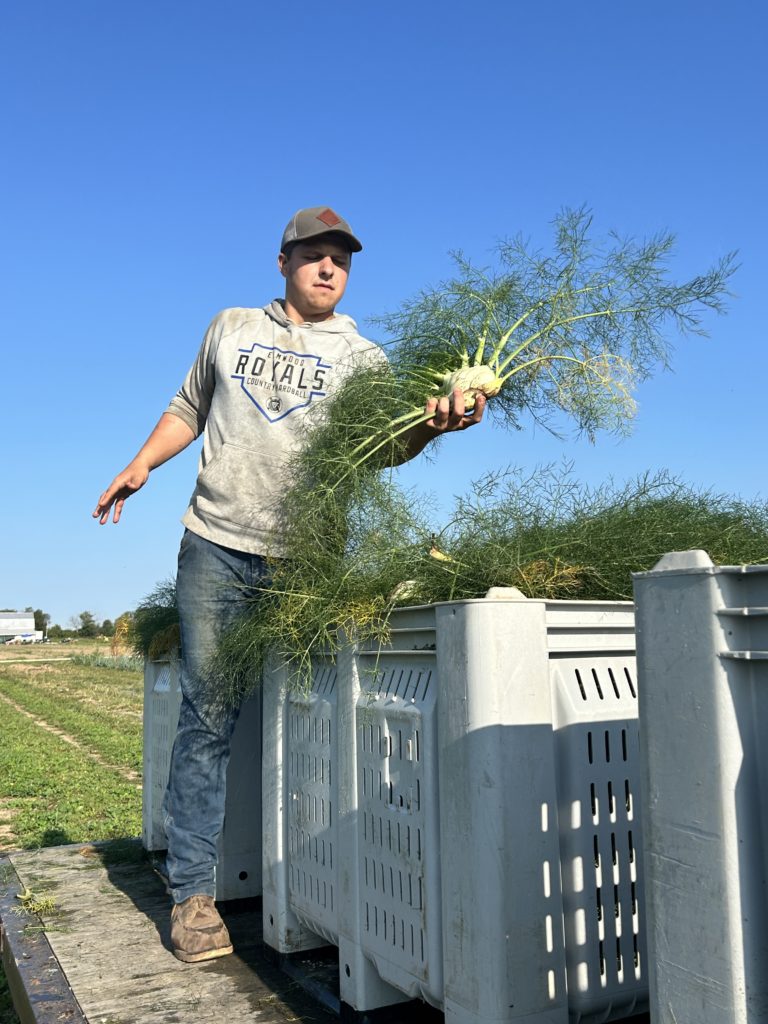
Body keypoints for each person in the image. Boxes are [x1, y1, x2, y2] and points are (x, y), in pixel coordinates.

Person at [94, 206, 485, 963]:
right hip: (216, 546)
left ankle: (313, 878)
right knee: (208, 718)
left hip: (308, 561)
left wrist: (432, 425)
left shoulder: (364, 360)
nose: (329, 267)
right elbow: (188, 407)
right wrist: (143, 463)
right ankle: (194, 897)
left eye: (341, 257)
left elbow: (380, 451)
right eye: (314, 254)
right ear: (283, 261)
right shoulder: (231, 326)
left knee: (313, 718)